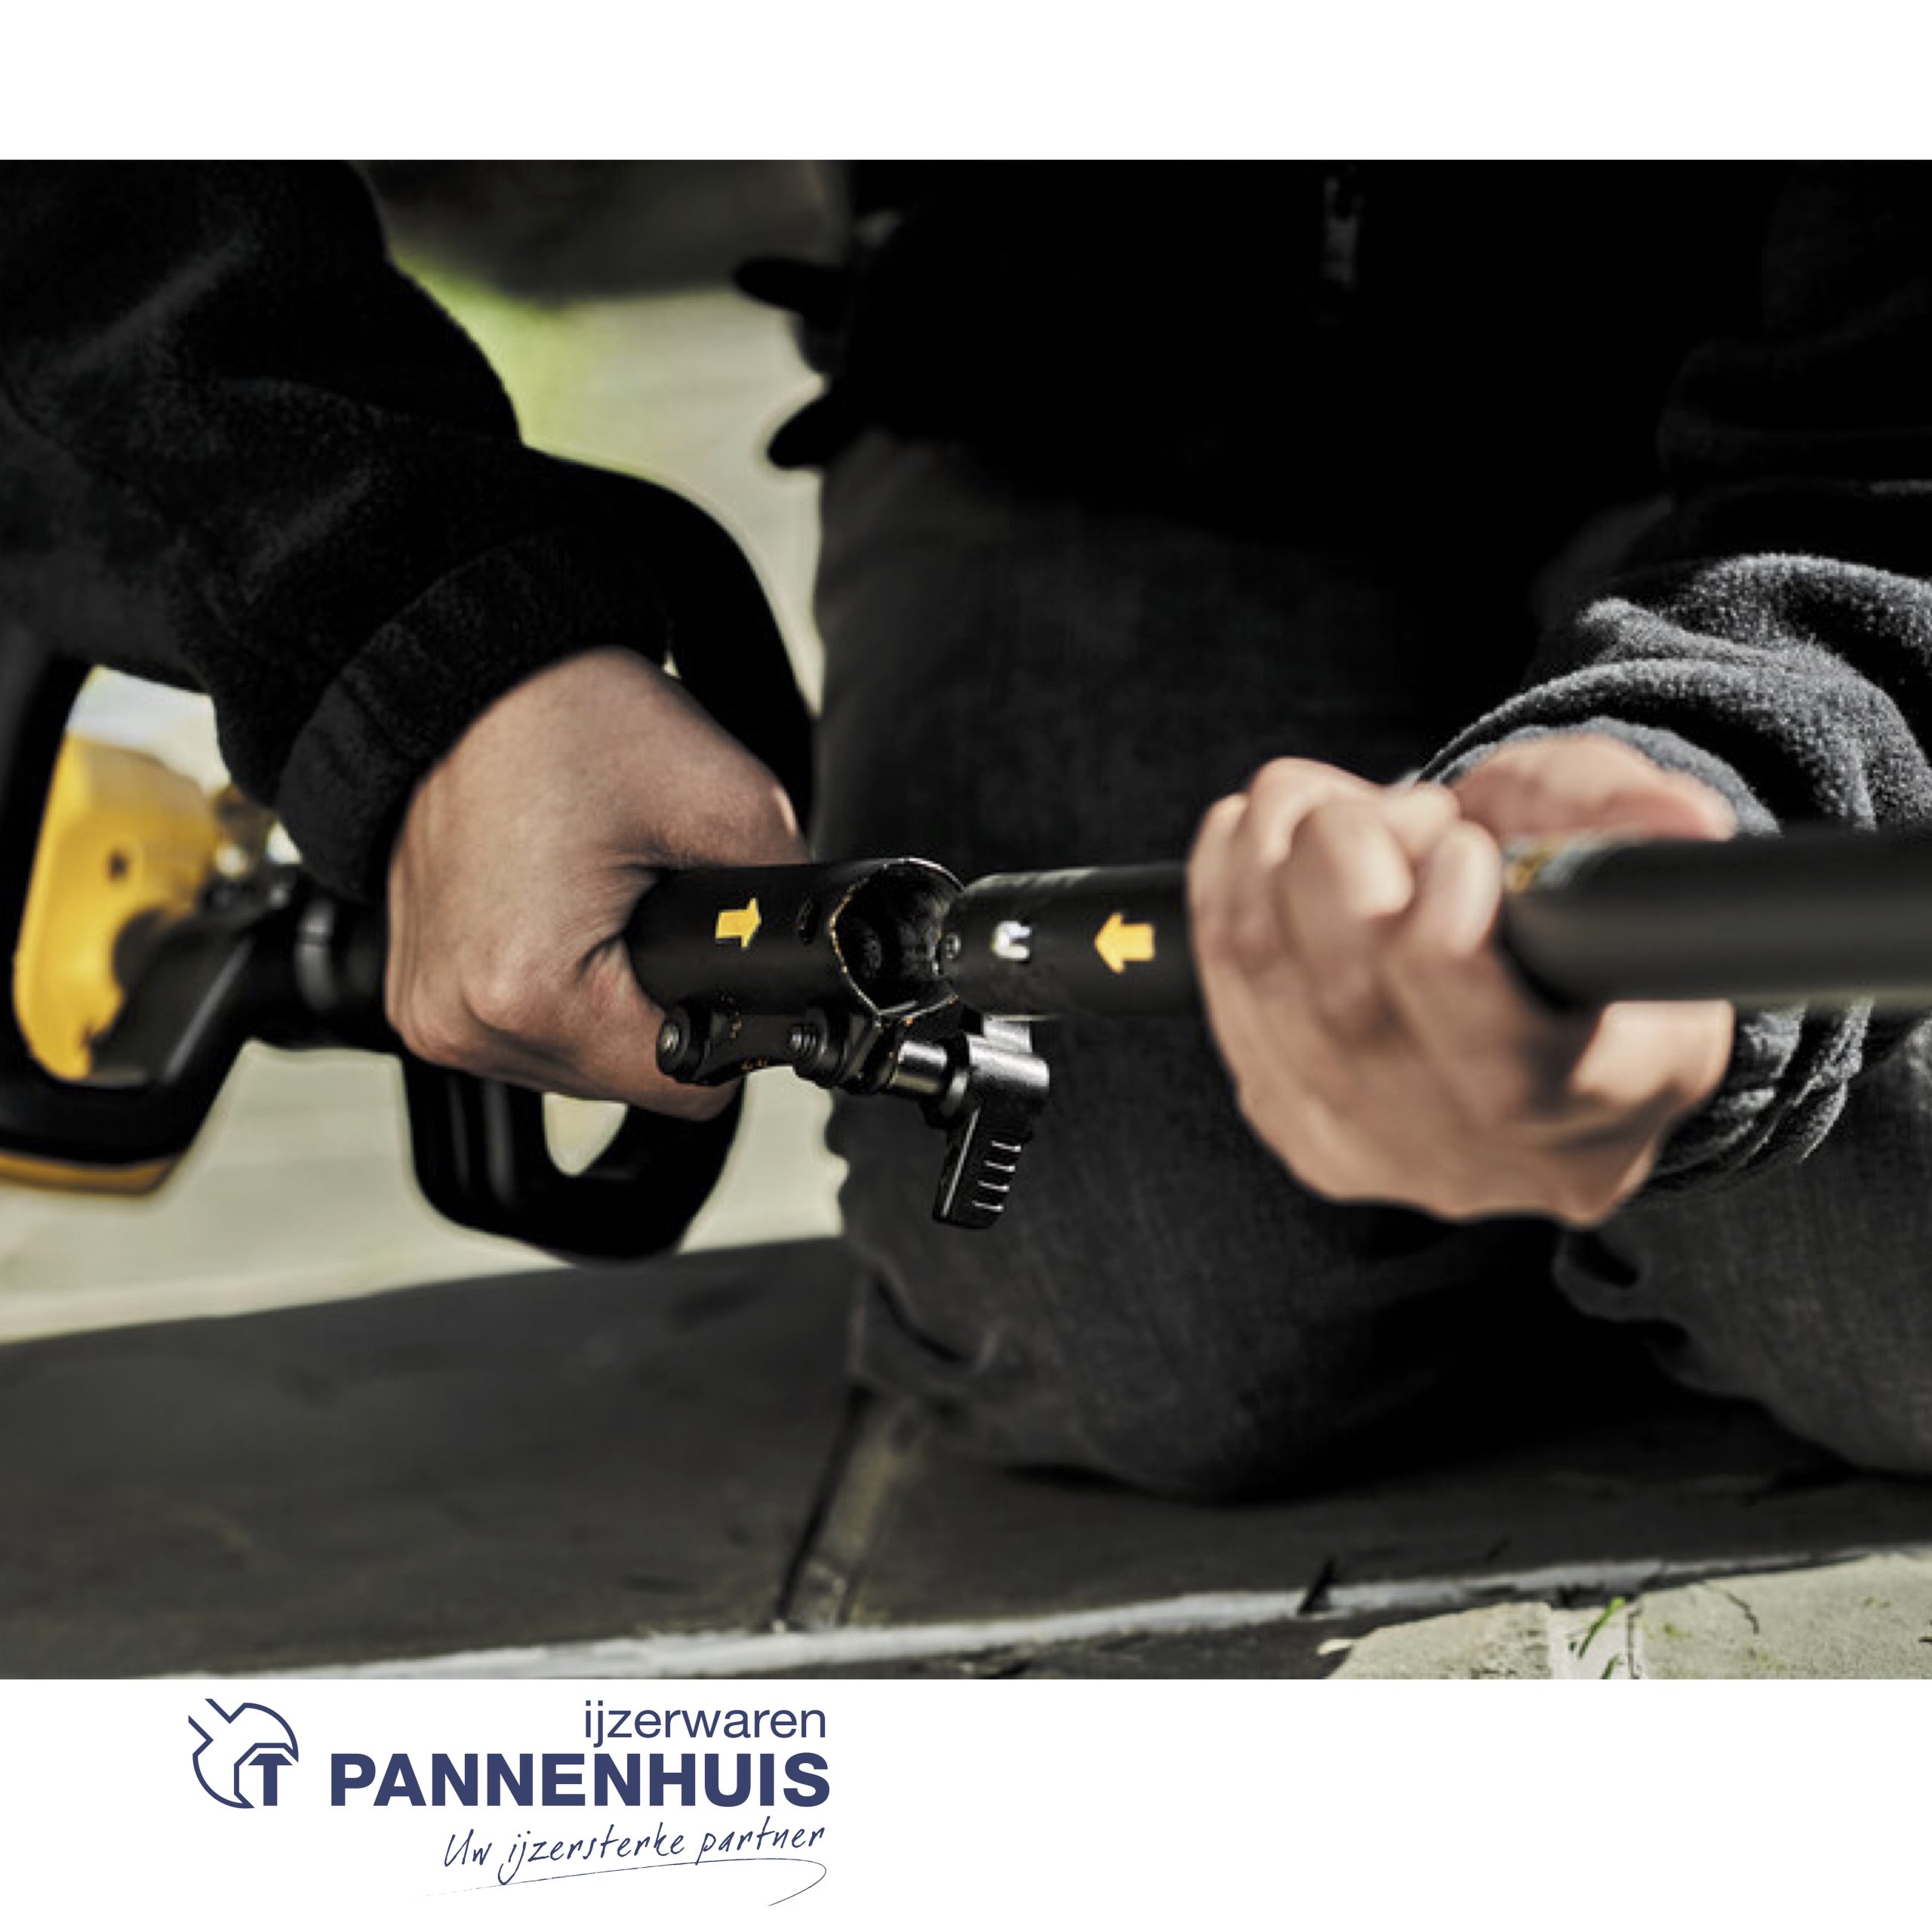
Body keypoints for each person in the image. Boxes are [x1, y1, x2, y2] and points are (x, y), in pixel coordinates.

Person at [5, 162, 1932, 1495]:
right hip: (1087, 349)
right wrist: (408, 633)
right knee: (1140, 1317)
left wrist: (1741, 744)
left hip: (1835, 394)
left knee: (1891, 1276)